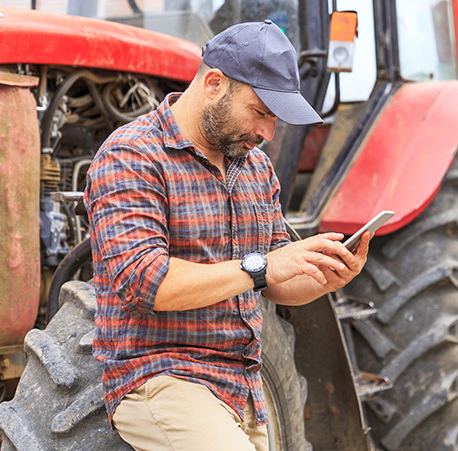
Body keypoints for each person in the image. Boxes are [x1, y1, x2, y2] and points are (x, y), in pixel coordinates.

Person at [84, 20, 371, 451]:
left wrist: (326, 276)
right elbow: (147, 283)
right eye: (260, 113)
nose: (267, 134)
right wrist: (264, 265)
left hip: (243, 388)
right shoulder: (131, 155)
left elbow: (275, 281)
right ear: (214, 83)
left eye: (274, 120)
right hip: (162, 377)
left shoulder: (255, 168)